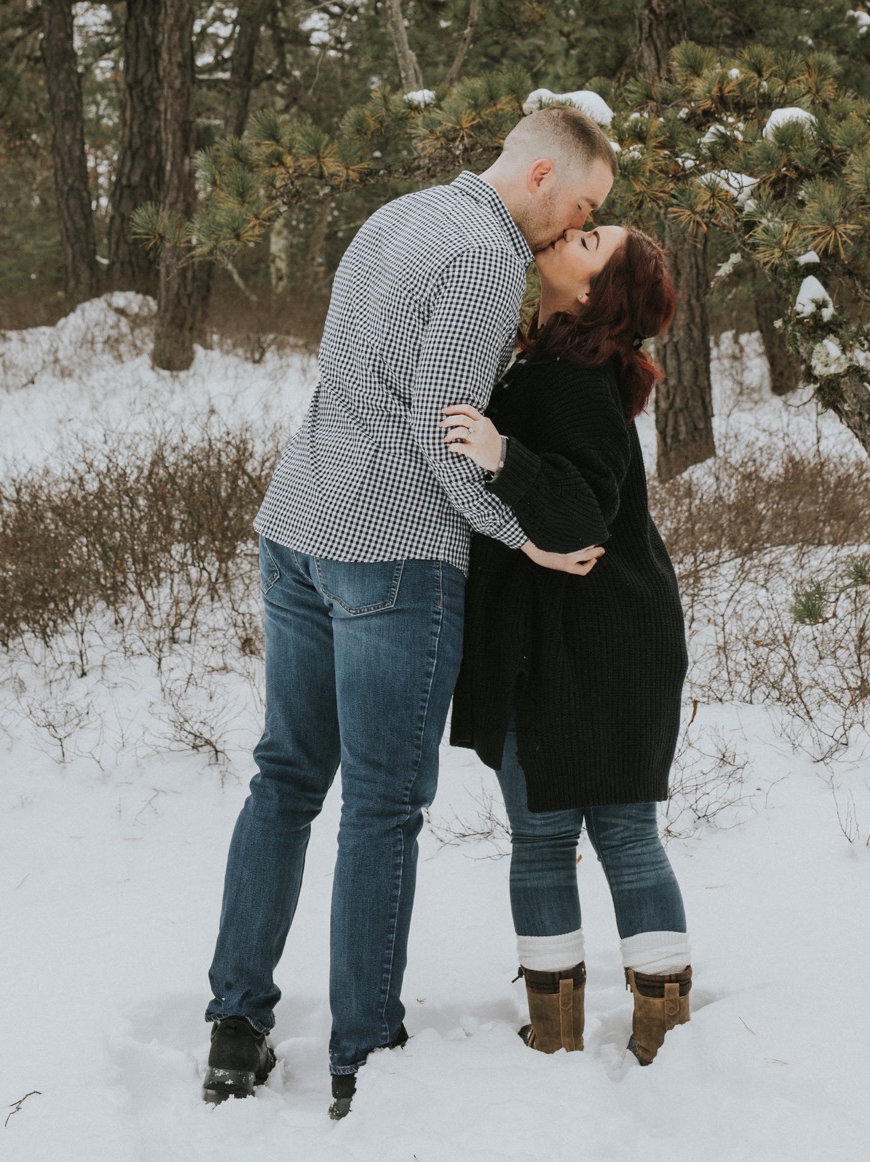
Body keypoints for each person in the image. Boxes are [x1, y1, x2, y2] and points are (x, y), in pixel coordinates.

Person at [202, 104, 617, 1118]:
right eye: (583, 205)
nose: (577, 229)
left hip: (297, 521)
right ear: (539, 177)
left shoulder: (397, 216)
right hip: (391, 553)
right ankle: (362, 1055)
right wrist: (524, 536)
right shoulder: (485, 261)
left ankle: (234, 1028)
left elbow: (348, 380)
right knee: (382, 808)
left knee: (286, 777)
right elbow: (445, 433)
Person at [443, 223, 692, 1068]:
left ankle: (663, 1028)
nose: (568, 235)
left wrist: (501, 454)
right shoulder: (544, 365)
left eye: (590, 241)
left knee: (620, 832)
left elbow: (581, 518)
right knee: (545, 833)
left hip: (609, 643)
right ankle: (557, 1027)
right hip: (551, 641)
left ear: (595, 295)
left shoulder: (580, 382)